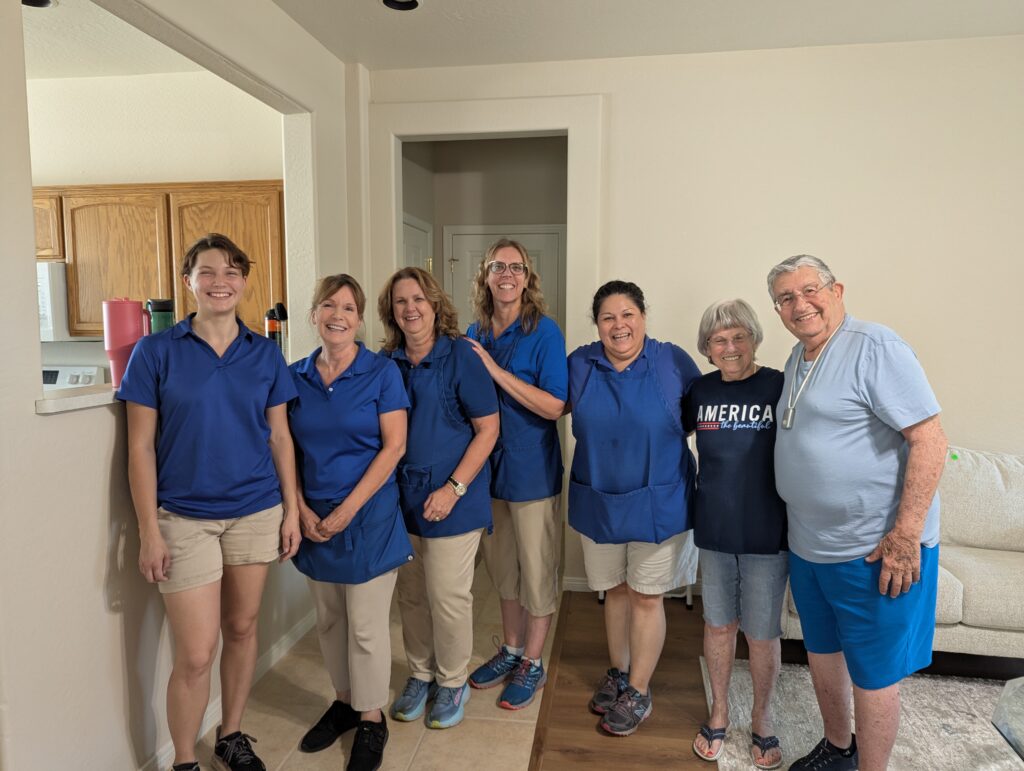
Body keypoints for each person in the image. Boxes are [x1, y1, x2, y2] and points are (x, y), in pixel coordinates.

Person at [119, 233, 300, 771]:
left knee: (242, 629)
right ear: (188, 281)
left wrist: (291, 509)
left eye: (232, 272)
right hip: (183, 519)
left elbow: (280, 437)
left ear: (244, 282)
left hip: (256, 510)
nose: (221, 281)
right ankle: (183, 759)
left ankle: (231, 734)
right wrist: (149, 530)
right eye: (208, 271)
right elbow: (139, 447)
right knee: (196, 653)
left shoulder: (264, 353)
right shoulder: (155, 352)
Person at [767, 254, 947, 771]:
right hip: (810, 546)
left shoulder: (876, 347)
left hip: (872, 549)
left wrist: (905, 535)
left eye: (810, 290)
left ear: (837, 290)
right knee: (822, 651)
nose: (800, 305)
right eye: (786, 298)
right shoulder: (797, 357)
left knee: (873, 672)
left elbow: (929, 439)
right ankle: (838, 747)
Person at [287, 275, 411, 771]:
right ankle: (343, 703)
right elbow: (285, 450)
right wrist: (300, 508)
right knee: (329, 619)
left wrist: (347, 510)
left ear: (360, 320)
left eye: (347, 308)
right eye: (328, 305)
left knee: (364, 627)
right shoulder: (294, 377)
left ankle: (371, 717)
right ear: (314, 314)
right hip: (313, 518)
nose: (337, 315)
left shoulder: (381, 373)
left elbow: (394, 447)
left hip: (368, 515)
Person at [566, 280, 700, 737]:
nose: (619, 325)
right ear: (597, 324)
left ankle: (639, 691)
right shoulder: (580, 364)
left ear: (643, 317)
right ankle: (618, 673)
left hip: (659, 500)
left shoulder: (671, 361)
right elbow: (548, 405)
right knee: (615, 590)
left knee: (646, 595)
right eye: (608, 317)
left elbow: (699, 417)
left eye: (628, 315)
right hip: (599, 500)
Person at [378, 267, 500, 730]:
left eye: (418, 299)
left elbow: (488, 429)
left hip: (455, 498)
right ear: (391, 311)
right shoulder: (386, 362)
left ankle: (452, 680)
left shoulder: (460, 356)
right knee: (411, 595)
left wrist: (453, 489)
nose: (410, 309)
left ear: (434, 304)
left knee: (447, 595)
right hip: (401, 499)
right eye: (400, 301)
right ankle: (421, 674)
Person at [464, 238, 568, 710]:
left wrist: (493, 369)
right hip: (487, 470)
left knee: (537, 570)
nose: (507, 274)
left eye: (516, 267)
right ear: (485, 276)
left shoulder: (544, 332)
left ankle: (533, 661)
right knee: (503, 569)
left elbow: (554, 405)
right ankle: (510, 649)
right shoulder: (475, 332)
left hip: (531, 471)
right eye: (497, 266)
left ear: (528, 278)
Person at [684, 299, 788, 769]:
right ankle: (720, 711)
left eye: (738, 337)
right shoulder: (700, 391)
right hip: (715, 529)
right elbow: (667, 437)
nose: (730, 347)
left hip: (768, 531)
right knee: (719, 625)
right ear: (707, 348)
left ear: (754, 339)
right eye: (719, 340)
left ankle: (763, 717)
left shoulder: (778, 385)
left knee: (762, 634)